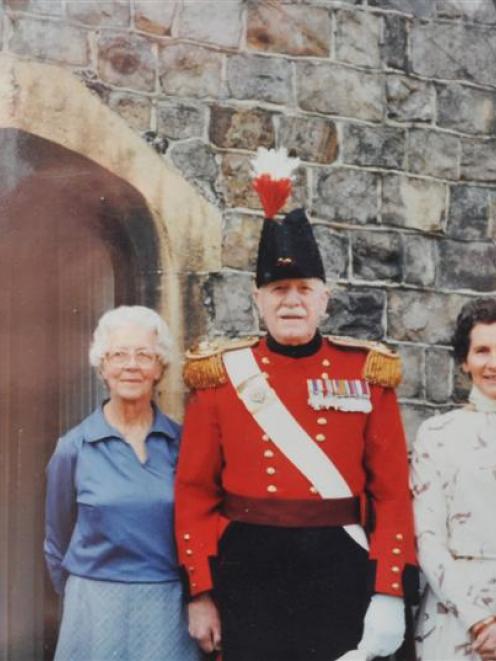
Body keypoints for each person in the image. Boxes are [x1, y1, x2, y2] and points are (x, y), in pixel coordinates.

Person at [175, 148, 418, 661]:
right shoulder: (220, 377)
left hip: (341, 569)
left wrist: (390, 591)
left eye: (304, 289)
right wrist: (200, 591)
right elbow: (195, 494)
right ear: (258, 300)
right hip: (248, 574)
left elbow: (393, 495)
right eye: (278, 289)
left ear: (324, 300)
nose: (291, 301)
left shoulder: (367, 373)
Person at [44, 305, 202, 661]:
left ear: (159, 367)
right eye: (119, 355)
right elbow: (56, 542)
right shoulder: (73, 448)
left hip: (167, 605)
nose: (131, 365)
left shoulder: (184, 444)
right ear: (102, 365)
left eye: (144, 355)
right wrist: (82, 599)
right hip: (94, 608)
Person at [412, 297, 496, 661]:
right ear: (465, 360)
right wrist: (480, 621)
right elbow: (427, 537)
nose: (493, 364)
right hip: (456, 620)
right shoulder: (437, 434)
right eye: (482, 350)